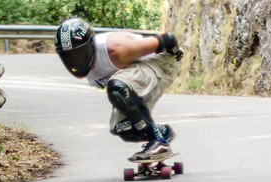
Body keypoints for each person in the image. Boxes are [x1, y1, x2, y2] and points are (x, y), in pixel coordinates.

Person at [54, 17, 183, 161]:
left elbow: (168, 40)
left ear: (91, 45)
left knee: (117, 87)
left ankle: (158, 142)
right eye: (69, 57)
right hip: (134, 76)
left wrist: (176, 50)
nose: (75, 61)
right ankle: (163, 133)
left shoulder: (116, 50)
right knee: (123, 128)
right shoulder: (91, 73)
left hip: (161, 62)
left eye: (79, 55)